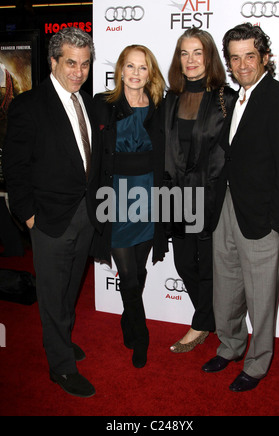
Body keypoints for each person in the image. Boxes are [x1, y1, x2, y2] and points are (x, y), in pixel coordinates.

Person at [3, 27, 101, 398]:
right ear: (53, 62)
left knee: (69, 290)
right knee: (51, 292)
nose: (78, 71)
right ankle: (60, 366)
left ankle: (59, 339)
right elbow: (15, 168)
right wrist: (28, 216)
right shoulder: (29, 104)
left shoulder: (88, 103)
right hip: (48, 220)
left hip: (85, 216)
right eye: (71, 63)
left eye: (85, 64)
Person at [202, 23, 279, 392]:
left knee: (262, 299)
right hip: (228, 206)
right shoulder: (235, 97)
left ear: (265, 58)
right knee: (226, 286)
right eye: (235, 57)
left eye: (250, 56)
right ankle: (229, 346)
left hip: (263, 216)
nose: (242, 65)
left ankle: (257, 364)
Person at [92, 45, 167, 368]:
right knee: (128, 275)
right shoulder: (103, 105)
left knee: (139, 269)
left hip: (150, 198)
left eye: (143, 67)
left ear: (150, 73)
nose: (136, 73)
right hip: (116, 199)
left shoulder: (160, 107)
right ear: (120, 70)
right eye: (130, 66)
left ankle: (128, 319)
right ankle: (141, 334)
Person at [164, 27, 236, 353]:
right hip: (176, 196)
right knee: (183, 264)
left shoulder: (226, 98)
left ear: (209, 58)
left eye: (198, 53)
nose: (190, 60)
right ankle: (208, 317)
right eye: (184, 53)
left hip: (210, 197)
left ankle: (200, 323)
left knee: (208, 266)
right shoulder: (170, 99)